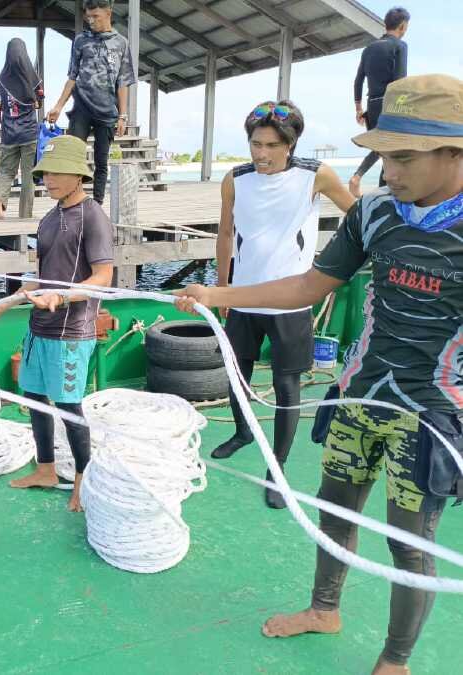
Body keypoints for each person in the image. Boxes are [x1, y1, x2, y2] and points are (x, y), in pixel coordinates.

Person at [175, 74, 463, 675]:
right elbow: (310, 285)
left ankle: (395, 660)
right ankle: (324, 608)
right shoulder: (376, 214)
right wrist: (219, 291)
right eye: (383, 154)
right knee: (336, 509)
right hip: (361, 391)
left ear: (455, 151)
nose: (389, 171)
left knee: (408, 544)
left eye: (404, 156)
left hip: (432, 412)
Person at [211, 100, 355, 509]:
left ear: (290, 144)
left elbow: (358, 218)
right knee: (236, 373)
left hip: (292, 300)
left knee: (286, 384)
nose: (261, 154)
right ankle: (242, 432)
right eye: (255, 144)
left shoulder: (317, 176)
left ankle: (278, 466)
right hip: (242, 296)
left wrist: (329, 270)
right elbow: (224, 235)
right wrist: (222, 287)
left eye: (272, 145)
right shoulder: (235, 180)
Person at [0, 135, 114, 512]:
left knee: (70, 408)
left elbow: (103, 276)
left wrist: (63, 296)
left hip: (71, 331)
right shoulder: (50, 217)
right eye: (44, 172)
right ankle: (46, 469)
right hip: (39, 328)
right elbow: (41, 277)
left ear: (77, 174)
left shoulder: (93, 216)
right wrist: (3, 304)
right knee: (35, 399)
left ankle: (84, 482)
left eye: (55, 171)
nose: (47, 179)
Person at [47, 0, 135, 206]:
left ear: (108, 14)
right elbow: (72, 76)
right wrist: (58, 106)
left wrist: (123, 115)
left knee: (101, 161)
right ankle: (70, 200)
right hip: (82, 109)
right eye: (88, 16)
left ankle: (96, 204)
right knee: (71, 156)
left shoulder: (121, 43)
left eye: (96, 16)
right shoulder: (80, 41)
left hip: (107, 112)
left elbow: (123, 82)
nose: (91, 20)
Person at [350, 6, 410, 198]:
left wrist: (359, 108)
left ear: (385, 25)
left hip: (372, 104)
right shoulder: (400, 46)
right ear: (402, 26)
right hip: (390, 103)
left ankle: (380, 190)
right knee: (390, 149)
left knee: (382, 150)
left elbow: (358, 80)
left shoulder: (369, 48)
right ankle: (359, 177)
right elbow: (400, 81)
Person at [0, 37, 43, 220]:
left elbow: (5, 104)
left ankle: (0, 199)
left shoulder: (2, 79)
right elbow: (39, 101)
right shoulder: (33, 78)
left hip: (9, 133)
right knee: (28, 175)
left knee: (7, 171)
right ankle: (25, 214)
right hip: (28, 132)